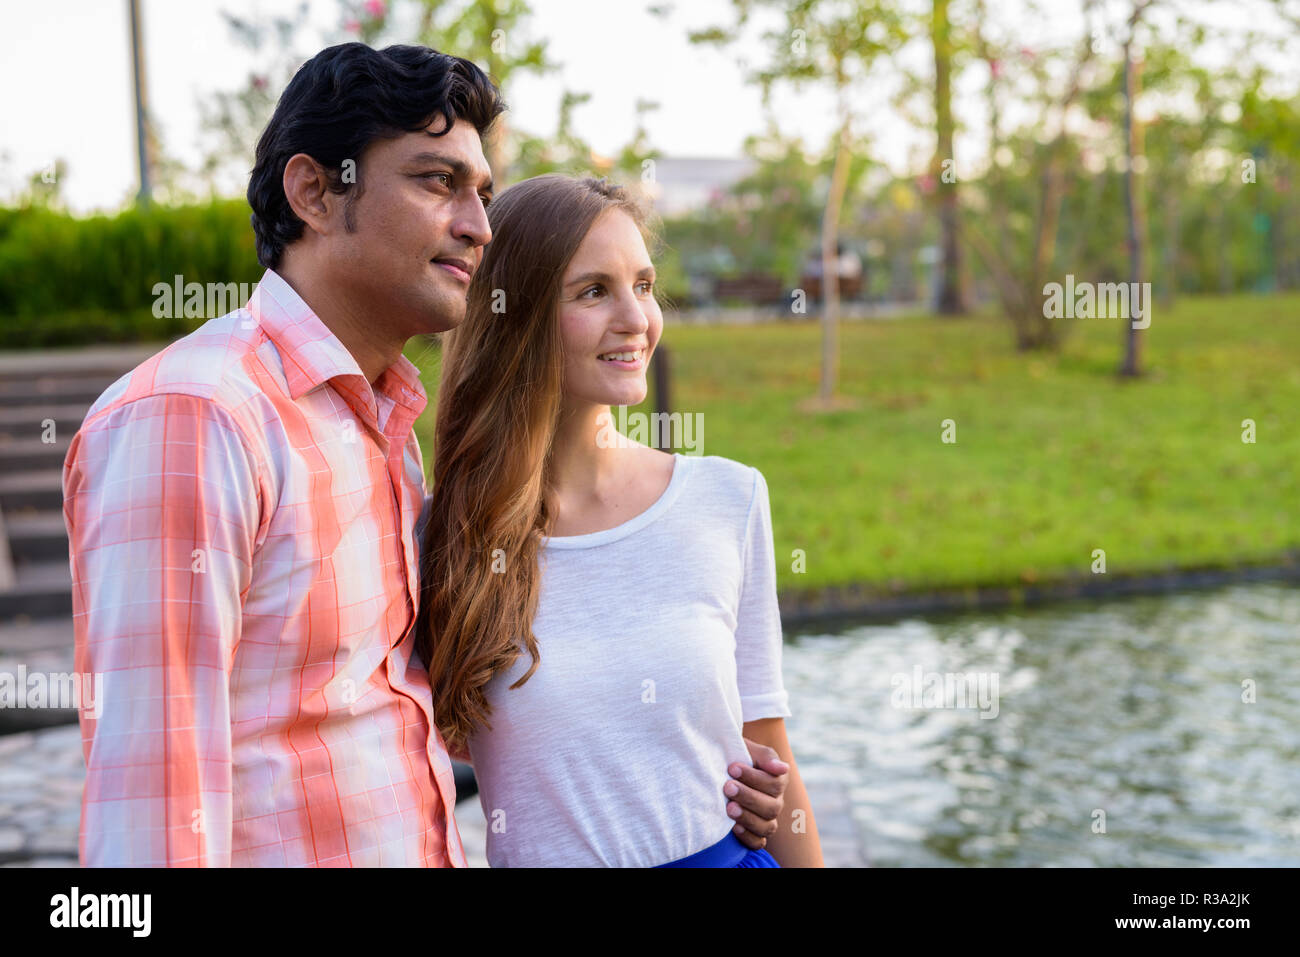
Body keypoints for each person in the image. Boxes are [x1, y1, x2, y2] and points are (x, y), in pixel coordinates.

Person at [62, 42, 788, 867]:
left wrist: (699, 778)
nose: (479, 225)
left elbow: (419, 710)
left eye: (480, 191)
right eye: (437, 181)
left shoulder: (385, 430)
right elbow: (151, 809)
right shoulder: (197, 416)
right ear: (315, 192)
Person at [415, 173, 825, 867]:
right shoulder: (442, 536)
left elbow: (768, 745)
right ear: (514, 314)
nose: (637, 318)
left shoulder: (728, 499)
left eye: (643, 283)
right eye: (594, 290)